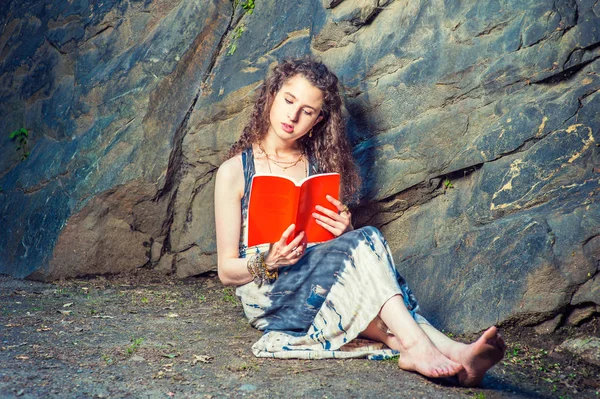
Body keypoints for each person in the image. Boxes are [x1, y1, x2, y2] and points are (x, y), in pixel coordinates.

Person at [214, 57, 506, 386]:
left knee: (363, 245)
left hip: (317, 284)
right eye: (289, 100)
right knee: (366, 248)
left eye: (307, 111)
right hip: (268, 293)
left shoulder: (318, 170)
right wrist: (269, 259)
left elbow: (334, 254)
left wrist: (343, 232)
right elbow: (226, 271)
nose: (293, 116)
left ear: (317, 120)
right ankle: (420, 346)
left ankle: (456, 354)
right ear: (272, 95)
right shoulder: (234, 171)